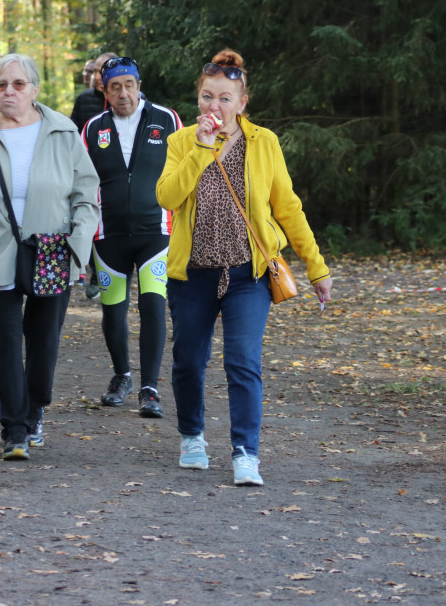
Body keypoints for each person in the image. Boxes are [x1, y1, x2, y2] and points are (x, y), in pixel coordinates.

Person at [156, 49, 333, 486]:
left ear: (242, 103)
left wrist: (317, 267)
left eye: (223, 99)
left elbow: (288, 208)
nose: (213, 107)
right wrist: (200, 149)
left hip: (249, 274)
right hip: (193, 274)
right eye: (206, 97)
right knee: (188, 361)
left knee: (243, 361)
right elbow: (167, 197)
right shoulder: (181, 141)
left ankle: (245, 453)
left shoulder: (264, 143)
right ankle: (192, 436)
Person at [0, 53, 99, 461]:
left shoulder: (63, 132)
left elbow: (86, 195)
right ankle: (14, 429)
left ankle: (36, 408)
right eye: (1, 85)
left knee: (43, 341)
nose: (9, 92)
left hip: (52, 250)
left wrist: (78, 248)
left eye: (18, 84)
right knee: (6, 338)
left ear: (35, 89)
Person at [82, 56, 182, 419]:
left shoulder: (166, 118)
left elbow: (187, 169)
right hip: (108, 235)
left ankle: (150, 387)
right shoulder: (93, 127)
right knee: (114, 309)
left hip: (156, 232)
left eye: (129, 85)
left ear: (139, 85)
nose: (123, 93)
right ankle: (121, 376)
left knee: (154, 305)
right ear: (104, 91)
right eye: (114, 87)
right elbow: (82, 180)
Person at [70, 52, 117, 132]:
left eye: (101, 72)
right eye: (94, 71)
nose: (96, 77)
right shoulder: (83, 99)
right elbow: (74, 134)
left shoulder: (130, 98)